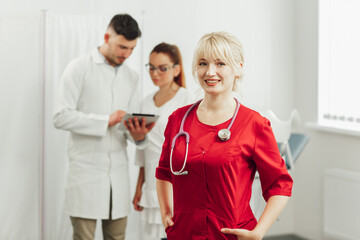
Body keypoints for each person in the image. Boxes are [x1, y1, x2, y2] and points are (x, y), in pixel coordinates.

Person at [155, 32, 293, 240]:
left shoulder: (254, 124)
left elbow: (280, 185)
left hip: (231, 236)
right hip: (184, 234)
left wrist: (259, 232)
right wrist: (166, 212)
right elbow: (164, 172)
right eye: (203, 63)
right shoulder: (178, 120)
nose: (210, 72)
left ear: (238, 68)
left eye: (220, 63)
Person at [53, 14, 154, 240]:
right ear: (107, 37)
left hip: (117, 176)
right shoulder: (79, 67)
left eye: (131, 49)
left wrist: (138, 136)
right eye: (122, 47)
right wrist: (105, 120)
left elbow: (129, 126)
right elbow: (60, 116)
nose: (126, 54)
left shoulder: (132, 76)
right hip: (85, 174)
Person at [132, 42, 194, 240]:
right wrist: (139, 186)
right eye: (150, 67)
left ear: (176, 69)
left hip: (177, 180)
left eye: (162, 68)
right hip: (151, 177)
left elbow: (193, 146)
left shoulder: (187, 99)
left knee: (175, 232)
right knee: (151, 234)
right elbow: (144, 150)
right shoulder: (146, 101)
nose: (154, 73)